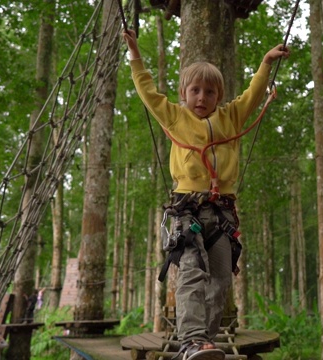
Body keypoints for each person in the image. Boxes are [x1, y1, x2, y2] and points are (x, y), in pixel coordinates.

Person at [122, 29, 289, 360]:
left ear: (219, 96)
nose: (202, 97)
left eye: (209, 92)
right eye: (195, 90)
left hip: (222, 215)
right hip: (188, 212)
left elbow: (253, 95)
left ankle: (203, 343)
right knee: (192, 272)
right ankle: (192, 340)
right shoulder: (176, 117)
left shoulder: (230, 117)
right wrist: (134, 54)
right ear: (184, 94)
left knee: (221, 280)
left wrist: (266, 63)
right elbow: (148, 92)